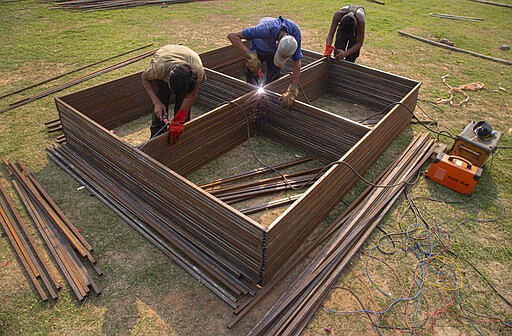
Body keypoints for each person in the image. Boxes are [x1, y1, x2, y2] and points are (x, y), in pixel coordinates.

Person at [227, 16, 303, 108]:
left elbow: (297, 64)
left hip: (273, 49)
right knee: (252, 71)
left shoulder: (295, 34)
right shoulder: (263, 29)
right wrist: (249, 54)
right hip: (259, 48)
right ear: (276, 43)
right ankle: (253, 100)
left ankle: (267, 102)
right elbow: (232, 36)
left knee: (273, 77)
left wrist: (292, 90)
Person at [141, 44, 206, 143]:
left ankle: (180, 139)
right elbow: (144, 79)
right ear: (169, 82)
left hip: (188, 56)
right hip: (166, 56)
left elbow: (191, 95)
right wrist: (157, 102)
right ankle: (156, 137)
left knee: (182, 115)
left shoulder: (198, 72)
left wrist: (178, 121)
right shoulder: (160, 68)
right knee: (160, 101)